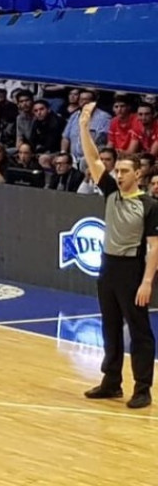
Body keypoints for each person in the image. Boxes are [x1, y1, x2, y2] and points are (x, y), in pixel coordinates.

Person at [78, 101, 156, 409]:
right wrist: (84, 126)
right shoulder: (110, 191)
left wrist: (147, 281)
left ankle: (143, 388)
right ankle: (111, 382)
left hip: (132, 269)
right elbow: (93, 159)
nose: (119, 174)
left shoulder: (149, 205)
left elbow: (155, 246)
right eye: (118, 170)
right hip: (108, 266)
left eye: (125, 170)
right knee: (109, 325)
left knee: (139, 330)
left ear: (139, 173)